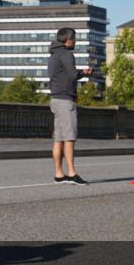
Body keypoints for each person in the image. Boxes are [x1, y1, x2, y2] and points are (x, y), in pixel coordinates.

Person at [47, 27, 93, 185]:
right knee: (69, 138)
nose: (75, 42)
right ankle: (72, 173)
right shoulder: (67, 54)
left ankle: (59, 174)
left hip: (55, 98)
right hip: (65, 100)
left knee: (59, 139)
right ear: (68, 40)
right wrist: (84, 72)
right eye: (74, 39)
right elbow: (73, 75)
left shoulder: (53, 55)